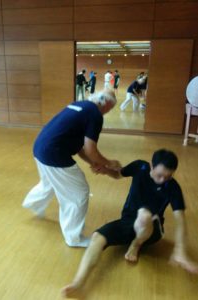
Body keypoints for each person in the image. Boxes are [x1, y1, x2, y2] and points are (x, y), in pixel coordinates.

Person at [61, 149, 198, 298]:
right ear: (151, 165)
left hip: (152, 229)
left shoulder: (173, 187)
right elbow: (118, 174)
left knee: (144, 215)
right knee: (97, 237)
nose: (162, 180)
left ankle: (136, 244)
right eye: (159, 175)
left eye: (168, 176)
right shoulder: (140, 167)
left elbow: (180, 221)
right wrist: (105, 170)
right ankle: (78, 283)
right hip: (127, 220)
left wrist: (180, 250)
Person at [22, 90, 121, 248]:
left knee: (50, 182)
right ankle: (73, 238)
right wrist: (109, 163)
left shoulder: (79, 105)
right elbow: (90, 149)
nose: (109, 111)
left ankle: (32, 203)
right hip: (54, 154)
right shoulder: (95, 114)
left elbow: (80, 147)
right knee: (78, 193)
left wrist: (94, 163)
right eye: (111, 108)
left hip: (40, 148)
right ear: (107, 104)